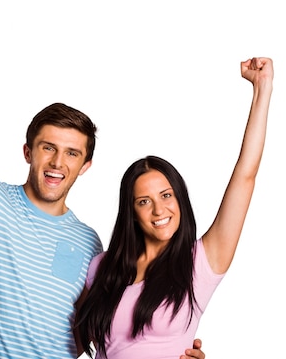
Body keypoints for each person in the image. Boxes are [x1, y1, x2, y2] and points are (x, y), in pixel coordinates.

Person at [0, 25, 207, 359]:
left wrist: (174, 349)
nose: (57, 163)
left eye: (72, 153)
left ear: (85, 166)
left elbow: (88, 334)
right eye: (48, 148)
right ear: (28, 152)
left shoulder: (90, 244)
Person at [74, 57, 274, 358]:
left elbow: (246, 175)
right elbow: (71, 344)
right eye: (144, 201)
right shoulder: (101, 268)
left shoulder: (200, 263)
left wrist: (262, 89)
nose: (159, 210)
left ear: (180, 199)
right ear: (131, 212)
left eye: (167, 195)